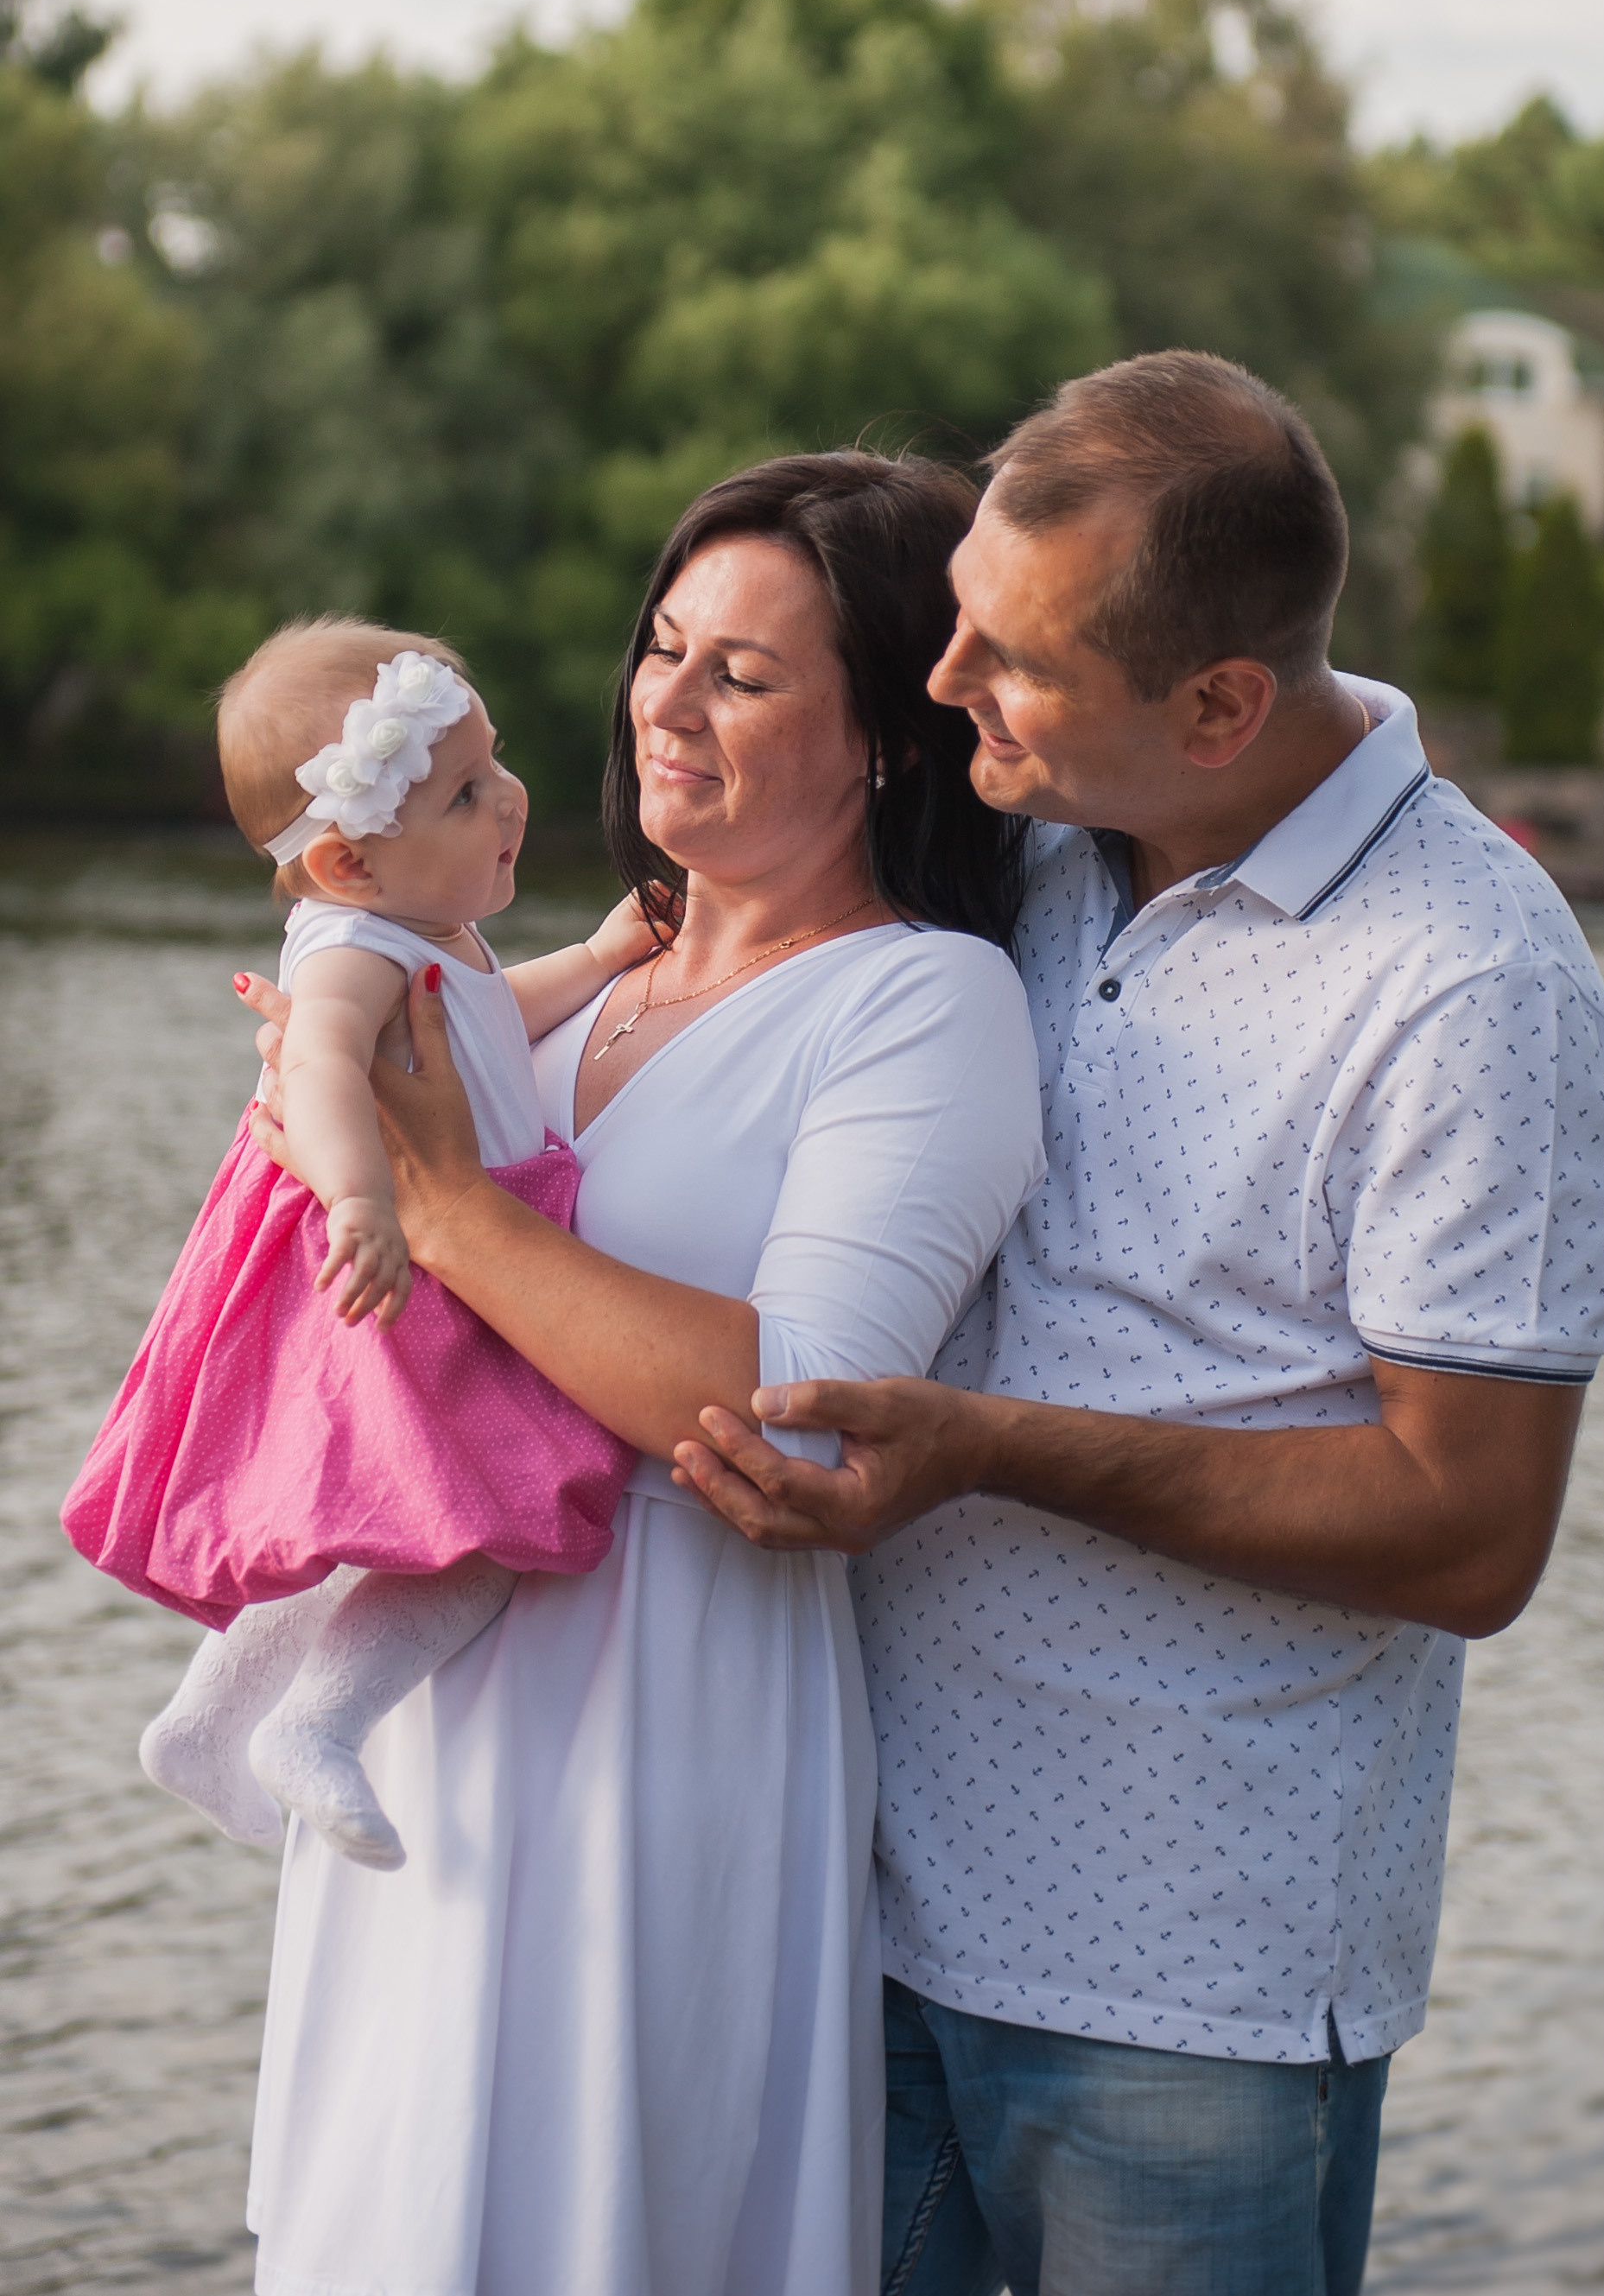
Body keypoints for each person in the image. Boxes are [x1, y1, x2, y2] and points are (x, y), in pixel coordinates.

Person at [672, 352, 1604, 2296]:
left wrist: (986, 1449)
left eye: (1007, 659)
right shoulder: (1021, 827)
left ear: (1219, 705)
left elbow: (1467, 1532)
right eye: (957, 621)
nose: (945, 688)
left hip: (1184, 1988)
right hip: (846, 1898)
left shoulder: (1469, 994)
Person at [233, 452, 1047, 2296]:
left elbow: (808, 1417)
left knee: (612, 2215)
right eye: (665, 649)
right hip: (434, 1702)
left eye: (743, 677)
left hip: (668, 1701)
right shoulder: (585, 984)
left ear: (888, 741)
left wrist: (435, 1207)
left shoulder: (922, 1004)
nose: (663, 707)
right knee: (401, 2212)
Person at [64, 623, 650, 1870]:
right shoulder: (349, 949)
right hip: (403, 1259)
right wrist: (363, 1206)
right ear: (344, 859)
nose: (511, 799)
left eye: (494, 765)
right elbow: (321, 1066)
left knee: (378, 1511)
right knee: (496, 1523)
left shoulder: (424, 931)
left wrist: (597, 960)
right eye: (464, 792)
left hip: (436, 1243)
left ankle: (205, 1722)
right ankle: (315, 1726)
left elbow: (489, 1021)